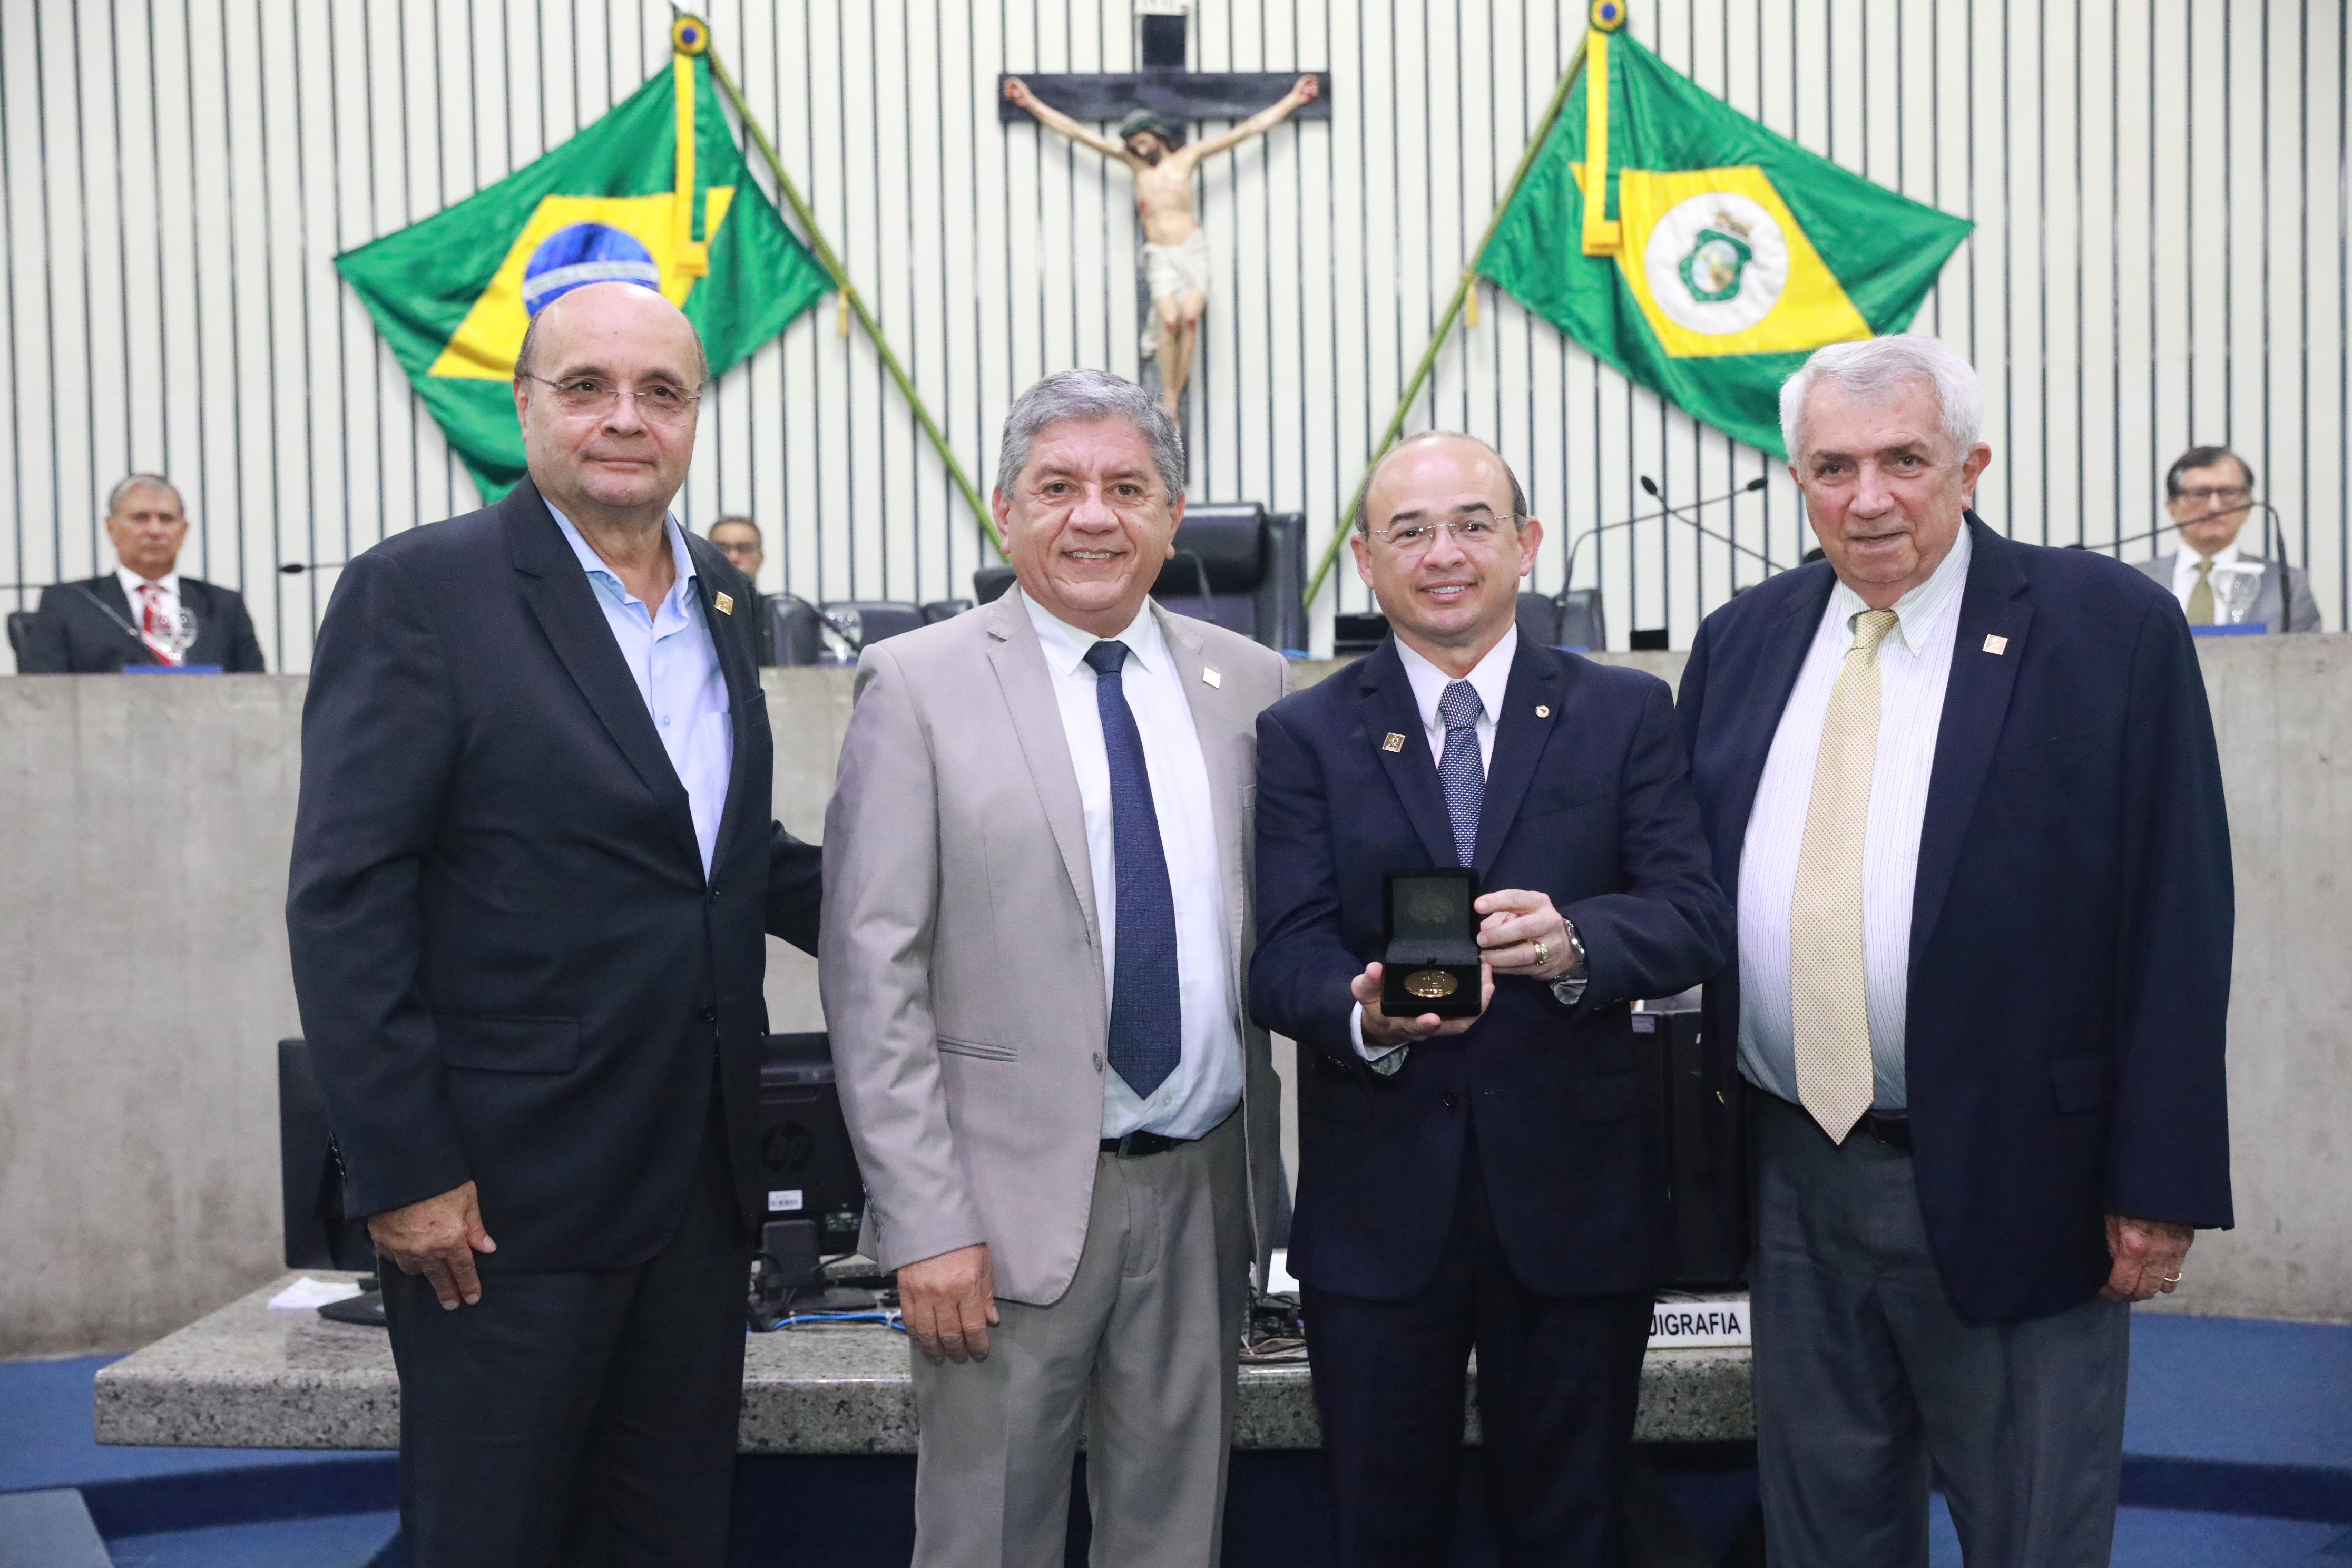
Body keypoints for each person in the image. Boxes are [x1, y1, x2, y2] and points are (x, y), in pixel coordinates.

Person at [286, 280, 824, 1568]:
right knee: (493, 1537)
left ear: (694, 415)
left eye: (660, 391)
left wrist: (952, 905)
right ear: (524, 407)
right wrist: (404, 1169)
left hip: (696, 1187)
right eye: (587, 387)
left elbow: (722, 858)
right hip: (498, 1208)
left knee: (664, 1535)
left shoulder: (722, 597)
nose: (625, 418)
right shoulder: (422, 591)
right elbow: (349, 898)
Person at [1677, 335, 2233, 1567]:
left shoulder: (2105, 630)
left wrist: (2159, 1181)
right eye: (1832, 468)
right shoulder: (1741, 642)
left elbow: (2179, 916)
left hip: (2025, 1177)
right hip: (1790, 1174)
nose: (1867, 498)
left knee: (2031, 1533)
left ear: (1969, 466)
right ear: (1797, 477)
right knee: (1822, 1535)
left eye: (1903, 461)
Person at [821, 368, 1287, 1568]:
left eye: (1126, 488)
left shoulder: (1250, 686)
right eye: (1057, 487)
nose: (1093, 516)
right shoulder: (916, 685)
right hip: (994, 1218)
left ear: (1171, 516)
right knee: (986, 1543)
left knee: (1174, 1542)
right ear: (1004, 510)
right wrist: (923, 1222)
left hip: (1202, 1197)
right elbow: (872, 975)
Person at [1248, 431, 1731, 1566]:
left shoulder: (1623, 712)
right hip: (1377, 1217)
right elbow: (1281, 954)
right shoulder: (1303, 733)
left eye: (1472, 524)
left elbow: (1693, 915)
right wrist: (1361, 1012)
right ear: (1365, 562)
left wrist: (1574, 945)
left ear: (1526, 544)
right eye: (1409, 531)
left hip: (1577, 1205)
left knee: (1572, 1528)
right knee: (1381, 1532)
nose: (1444, 553)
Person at [1001, 75, 1318, 418]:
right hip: (1160, 254)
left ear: (1157, 135)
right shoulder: (1135, 166)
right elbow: (1076, 132)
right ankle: (1170, 399)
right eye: (1133, 145)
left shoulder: (1188, 158)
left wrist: (1294, 99)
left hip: (1191, 249)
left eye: (1142, 141)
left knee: (1190, 319)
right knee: (1169, 320)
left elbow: (1247, 131)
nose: (1139, 149)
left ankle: (1174, 396)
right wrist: (1030, 102)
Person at [19, 474, 265, 672]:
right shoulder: (69, 604)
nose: (155, 530)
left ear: (183, 531)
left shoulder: (224, 607)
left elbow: (256, 689)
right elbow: (42, 693)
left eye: (166, 519)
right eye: (140, 518)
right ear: (111, 528)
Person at [2135, 445, 2321, 633]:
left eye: (2228, 493)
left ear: (2248, 507)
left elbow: (2306, 650)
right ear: (2172, 507)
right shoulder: (2134, 582)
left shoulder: (2287, 585)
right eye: (2199, 494)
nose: (2214, 507)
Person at [708, 515, 776, 664]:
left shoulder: (775, 616)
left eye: (744, 549)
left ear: (760, 558)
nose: (733, 558)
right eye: (721, 549)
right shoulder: (692, 610)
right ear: (706, 556)